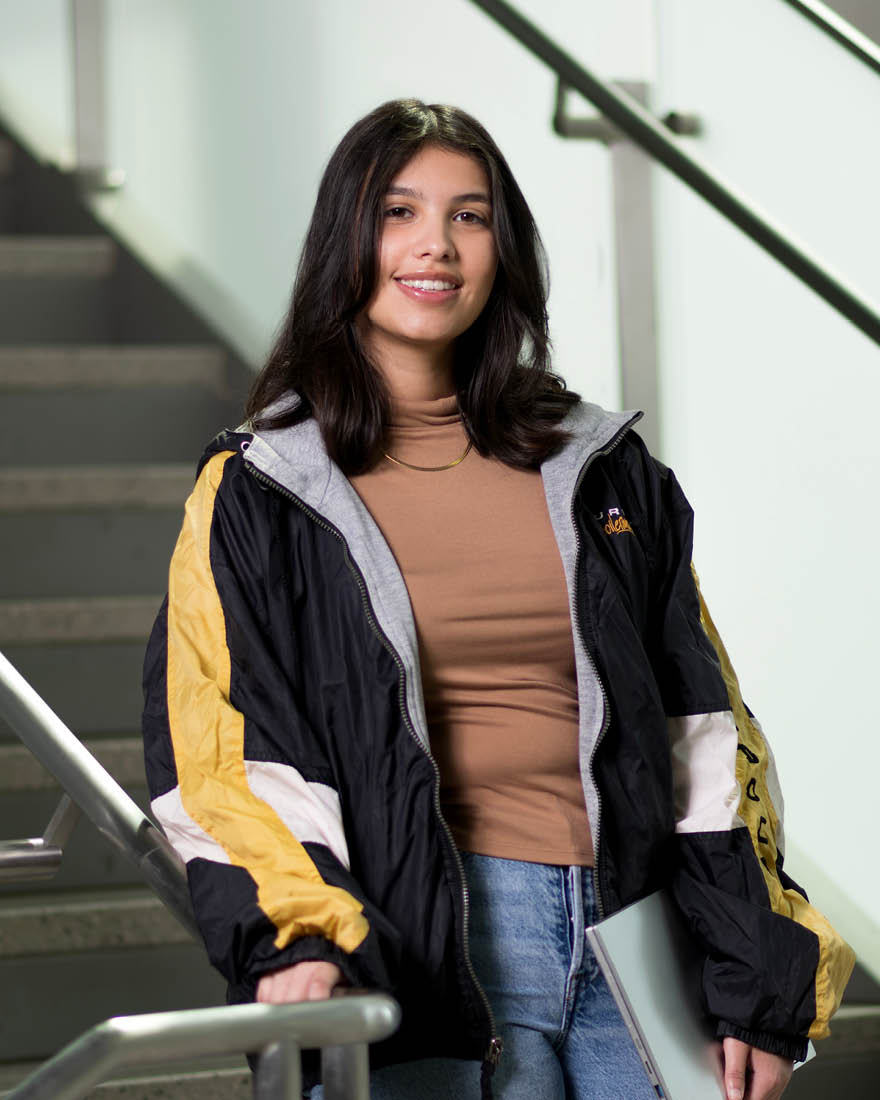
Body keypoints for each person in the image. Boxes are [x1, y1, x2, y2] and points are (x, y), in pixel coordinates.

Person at [142, 99, 854, 1100]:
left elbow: (705, 740)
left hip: (636, 945)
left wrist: (755, 981)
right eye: (398, 211)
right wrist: (293, 932)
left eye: (469, 215)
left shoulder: (603, 468)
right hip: (432, 947)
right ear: (346, 235)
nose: (435, 243)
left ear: (502, 248)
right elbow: (221, 752)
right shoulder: (263, 491)